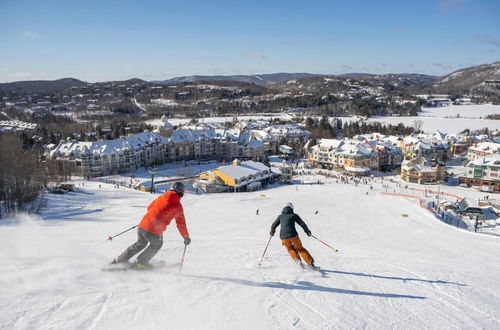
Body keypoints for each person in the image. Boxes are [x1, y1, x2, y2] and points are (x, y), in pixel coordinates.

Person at [112, 182, 191, 269]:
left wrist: (154, 216)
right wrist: (185, 237)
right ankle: (140, 264)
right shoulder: (177, 206)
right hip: (154, 230)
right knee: (157, 244)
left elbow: (149, 207)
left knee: (140, 244)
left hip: (142, 225)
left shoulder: (162, 197)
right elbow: (181, 224)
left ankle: (120, 260)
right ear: (180, 192)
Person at [270, 202, 316, 269]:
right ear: (292, 208)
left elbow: (273, 225)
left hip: (283, 237)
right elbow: (302, 224)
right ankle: (310, 263)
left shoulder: (280, 216)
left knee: (290, 249)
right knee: (300, 248)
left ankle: (298, 263)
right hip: (293, 235)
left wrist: (272, 232)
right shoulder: (294, 215)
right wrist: (307, 231)